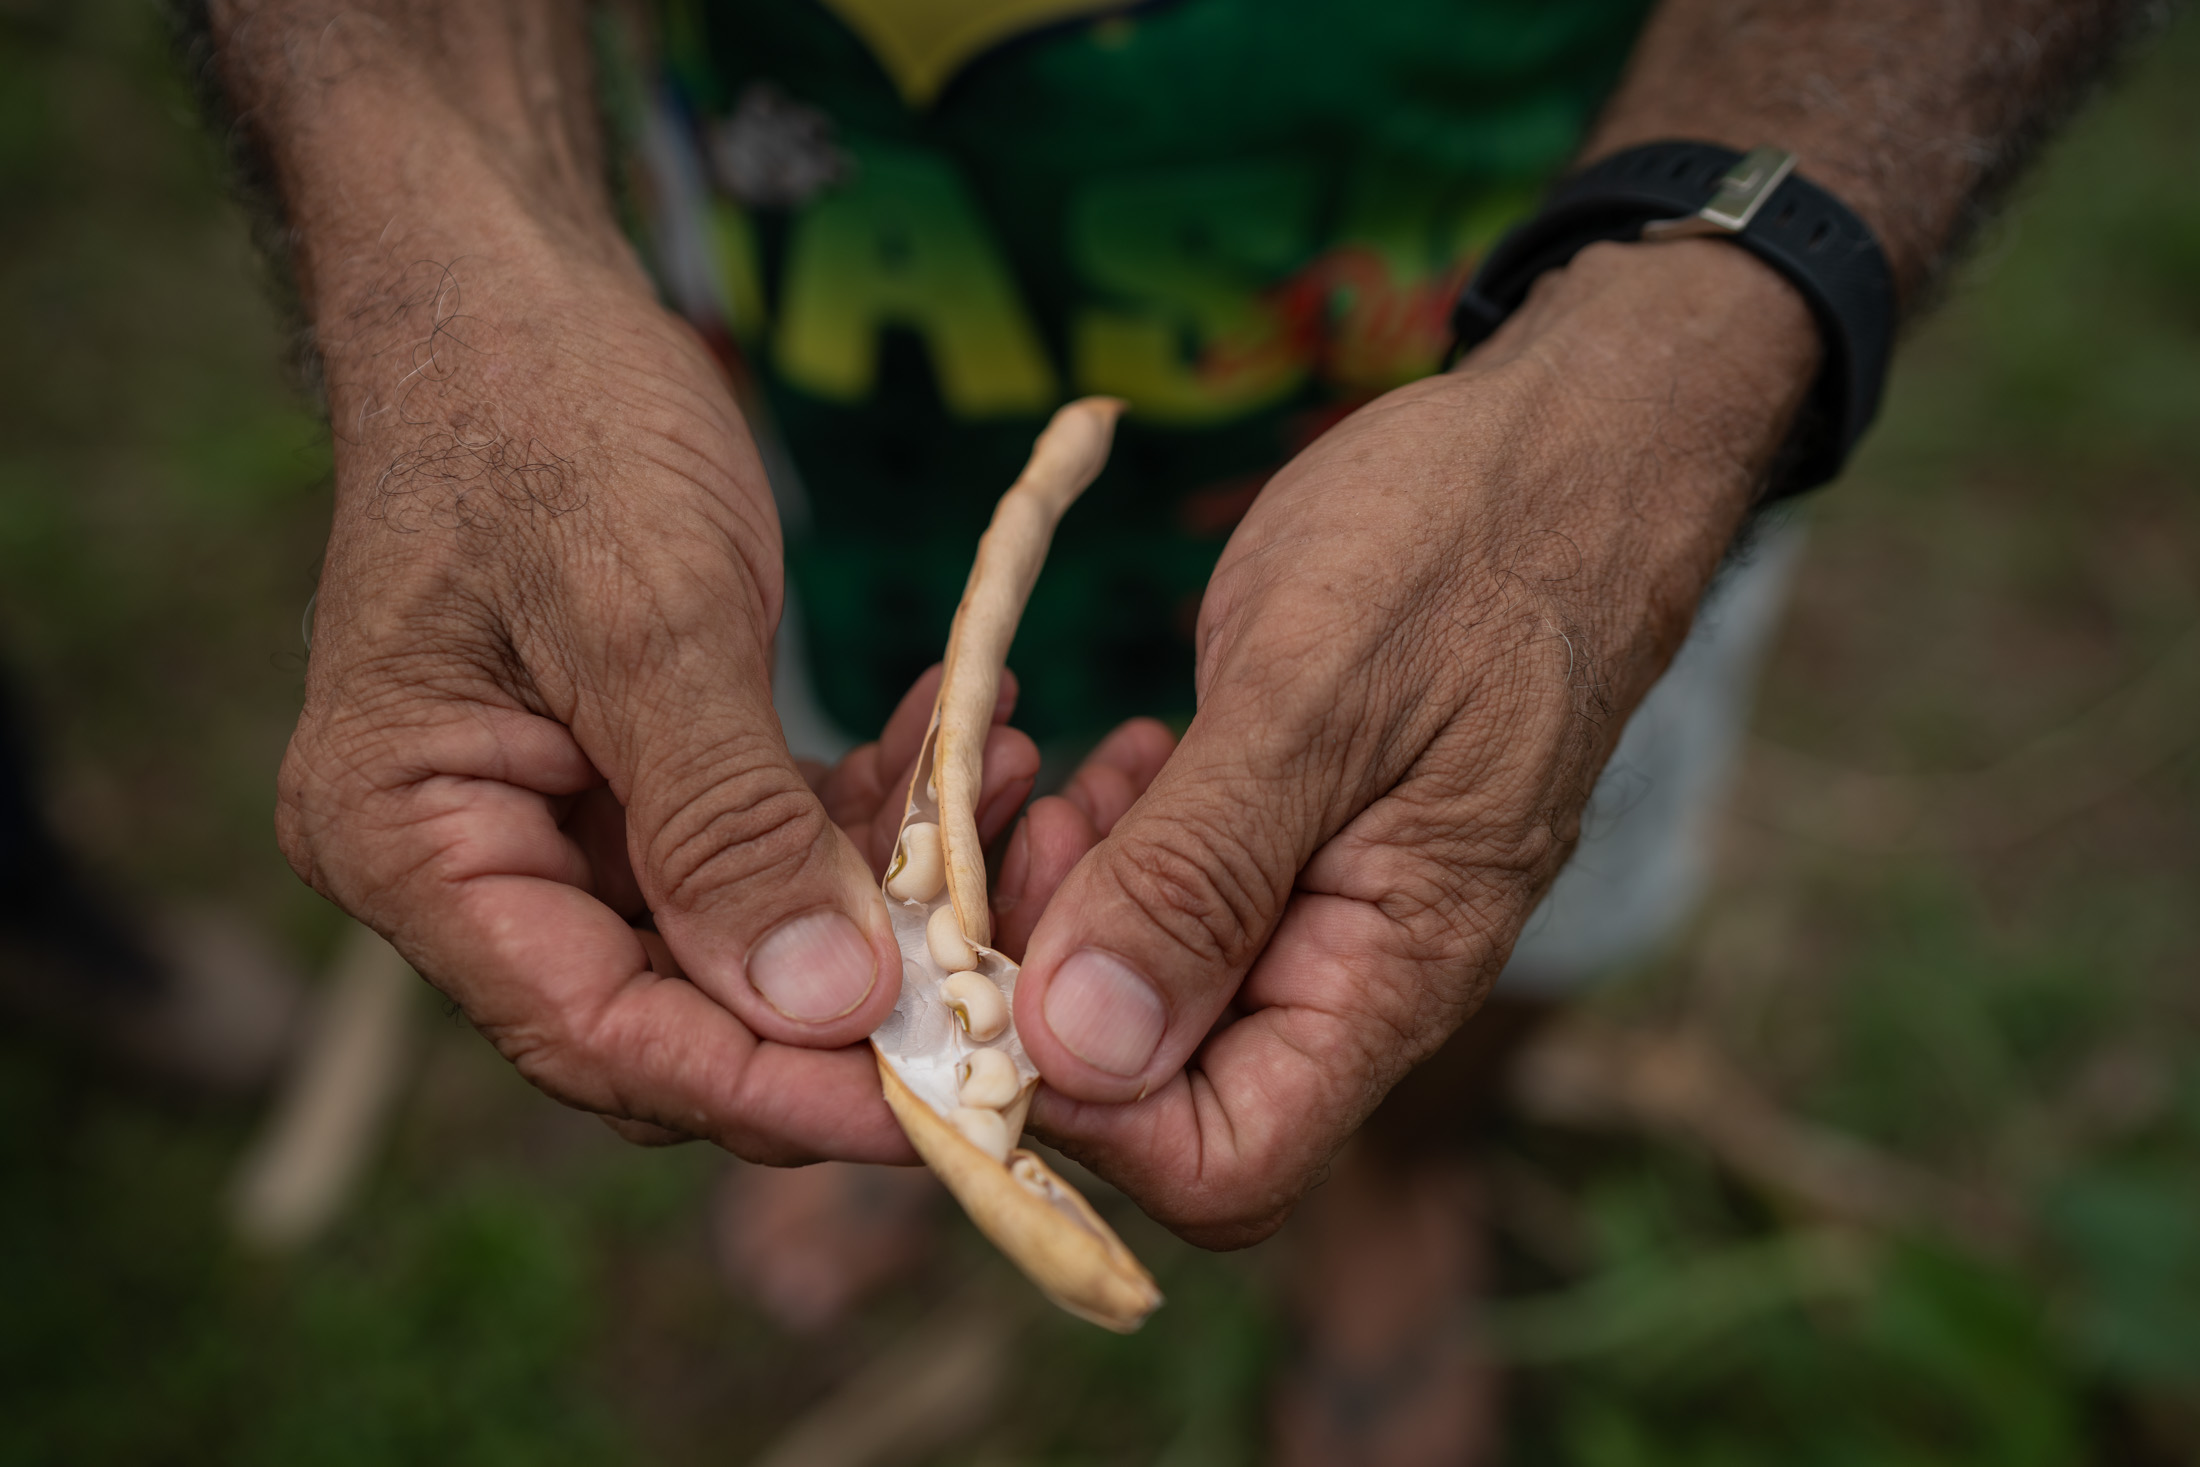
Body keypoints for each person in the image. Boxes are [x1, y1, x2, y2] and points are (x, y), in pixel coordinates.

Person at [190, 0, 2144, 1457]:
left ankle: (1398, 1171)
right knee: (809, 755)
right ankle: (875, 1078)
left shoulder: (1604, 450)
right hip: (807, 363)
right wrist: (449, 255)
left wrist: (1689, 336)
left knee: (1482, 882)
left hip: (1547, 377)